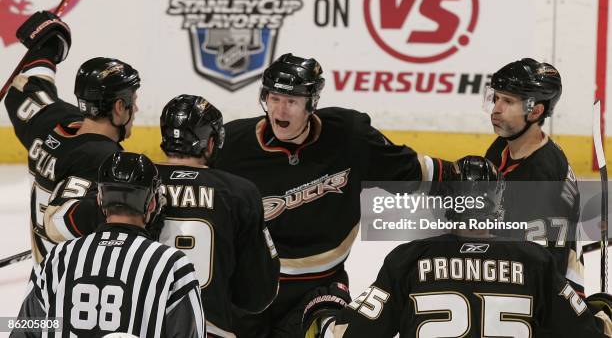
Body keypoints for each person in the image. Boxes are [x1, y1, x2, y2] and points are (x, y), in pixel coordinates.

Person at [214, 53, 461, 337]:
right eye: (275, 98)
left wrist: (462, 176)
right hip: (248, 288)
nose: (280, 111)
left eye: (292, 101)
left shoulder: (349, 137)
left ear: (312, 104)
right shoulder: (231, 145)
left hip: (319, 287)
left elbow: (409, 170)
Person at [300, 156, 612, 338]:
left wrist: (324, 312)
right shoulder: (535, 261)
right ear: (500, 202)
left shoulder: (407, 259)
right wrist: (604, 311)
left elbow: (346, 335)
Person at [11, 151, 205, 338]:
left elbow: (23, 329)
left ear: (100, 199)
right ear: (152, 204)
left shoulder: (58, 256)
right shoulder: (172, 264)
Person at [4, 11, 141, 262]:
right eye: (133, 102)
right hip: (73, 288)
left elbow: (25, 89)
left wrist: (47, 49)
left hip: (42, 278)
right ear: (119, 108)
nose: (137, 110)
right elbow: (64, 221)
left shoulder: (50, 123)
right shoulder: (105, 162)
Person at [156, 94, 280, 337]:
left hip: (139, 327)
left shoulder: (135, 180)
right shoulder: (238, 192)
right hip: (210, 330)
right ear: (210, 143)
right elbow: (259, 296)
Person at [483, 58, 583, 293]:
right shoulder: (504, 146)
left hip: (549, 292)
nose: (496, 109)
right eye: (496, 98)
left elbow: (544, 265)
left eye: (508, 101)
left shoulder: (542, 177)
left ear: (536, 110)